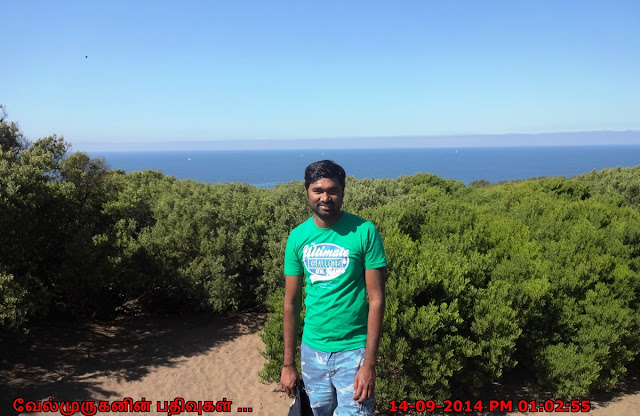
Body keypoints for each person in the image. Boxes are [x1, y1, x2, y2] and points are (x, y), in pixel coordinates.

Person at [280, 160, 387, 416]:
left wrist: (369, 364)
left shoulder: (364, 232)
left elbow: (377, 300)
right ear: (307, 191)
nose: (325, 197)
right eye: (318, 190)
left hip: (354, 352)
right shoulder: (297, 237)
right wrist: (288, 364)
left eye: (333, 190)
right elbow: (291, 303)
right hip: (312, 351)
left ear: (343, 191)